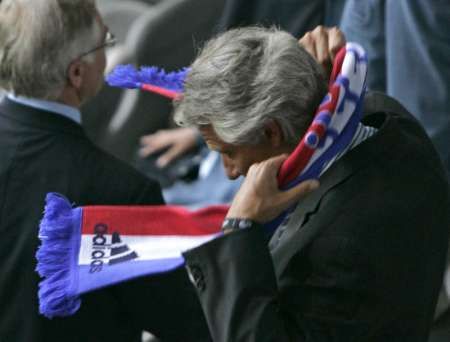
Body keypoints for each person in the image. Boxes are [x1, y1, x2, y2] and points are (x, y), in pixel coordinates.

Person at [173, 26, 450, 341]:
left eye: (228, 152)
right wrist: (302, 80)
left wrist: (238, 231)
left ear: (270, 132)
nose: (230, 172)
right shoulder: (386, 116)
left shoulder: (341, 245)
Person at [0, 1, 205, 341]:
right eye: (105, 41)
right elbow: (190, 328)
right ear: (76, 73)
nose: (109, 48)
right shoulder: (123, 196)